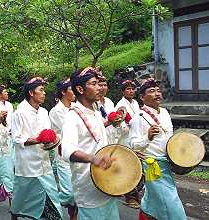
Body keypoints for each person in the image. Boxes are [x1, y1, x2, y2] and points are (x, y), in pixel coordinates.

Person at [61, 67, 119, 220]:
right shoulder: (72, 117)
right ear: (80, 89)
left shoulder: (95, 112)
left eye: (99, 83)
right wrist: (94, 158)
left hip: (105, 181)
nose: (100, 87)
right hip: (88, 186)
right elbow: (68, 151)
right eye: (94, 84)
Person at [129, 79, 187, 220]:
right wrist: (147, 137)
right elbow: (132, 145)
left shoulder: (165, 112)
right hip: (152, 165)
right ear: (142, 97)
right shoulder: (139, 117)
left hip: (166, 162)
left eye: (158, 90)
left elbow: (170, 137)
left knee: (154, 200)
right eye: (151, 91)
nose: (157, 94)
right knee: (171, 204)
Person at [11, 76, 63, 220]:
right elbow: (16, 139)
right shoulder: (19, 113)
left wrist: (53, 139)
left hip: (44, 163)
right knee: (21, 198)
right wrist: (38, 139)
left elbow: (49, 133)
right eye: (41, 90)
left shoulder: (44, 112)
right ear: (31, 93)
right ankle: (15, 215)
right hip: (27, 165)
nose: (44, 93)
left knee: (52, 196)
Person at [49, 78, 77, 220]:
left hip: (79, 155)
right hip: (64, 155)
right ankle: (50, 202)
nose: (75, 92)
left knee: (79, 191)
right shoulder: (56, 111)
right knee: (69, 193)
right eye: (71, 89)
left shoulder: (76, 107)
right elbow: (71, 131)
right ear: (63, 92)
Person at [115, 79, 142, 208]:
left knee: (138, 168)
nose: (131, 91)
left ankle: (134, 194)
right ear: (123, 91)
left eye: (133, 89)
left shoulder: (136, 103)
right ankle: (130, 196)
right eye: (128, 89)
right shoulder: (120, 106)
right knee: (128, 169)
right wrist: (130, 124)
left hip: (136, 139)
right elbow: (118, 126)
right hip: (125, 140)